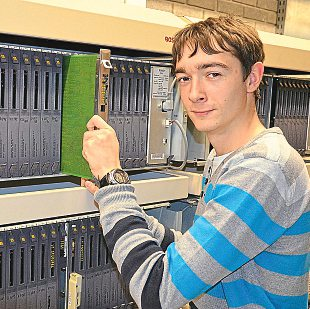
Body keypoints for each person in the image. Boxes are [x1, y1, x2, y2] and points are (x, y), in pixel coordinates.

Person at [82, 15, 310, 309]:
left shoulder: (262, 168)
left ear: (252, 77)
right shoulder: (226, 157)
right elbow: (198, 252)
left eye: (213, 74)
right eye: (184, 78)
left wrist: (114, 181)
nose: (194, 94)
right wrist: (123, 209)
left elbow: (157, 292)